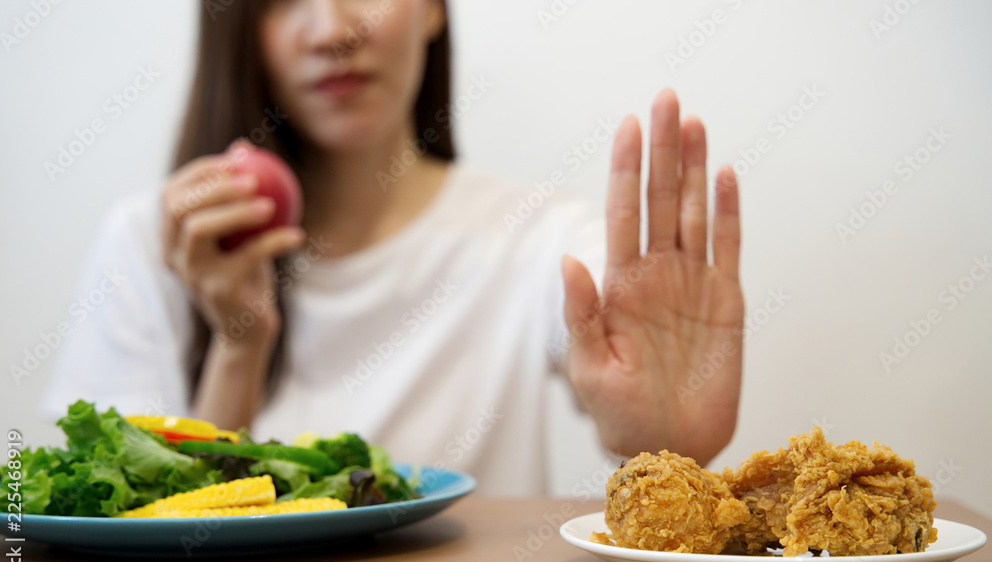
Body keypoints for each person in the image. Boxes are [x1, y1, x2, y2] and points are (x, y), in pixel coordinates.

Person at [41, 0, 745, 496]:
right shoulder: (151, 243)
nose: (333, 29)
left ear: (434, 7)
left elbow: (637, 367)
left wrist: (668, 445)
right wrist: (240, 342)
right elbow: (142, 546)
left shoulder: (539, 239)